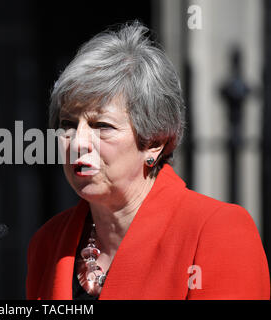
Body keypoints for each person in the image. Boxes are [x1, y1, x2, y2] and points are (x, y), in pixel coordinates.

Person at [26, 21, 270, 300]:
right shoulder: (47, 243)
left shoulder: (217, 233)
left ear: (154, 141)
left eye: (101, 125)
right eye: (68, 124)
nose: (78, 141)